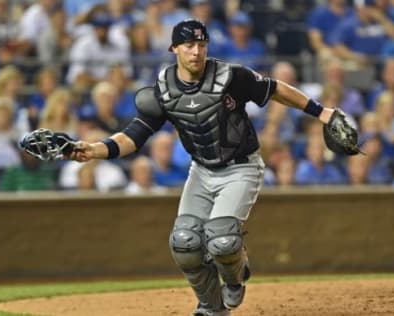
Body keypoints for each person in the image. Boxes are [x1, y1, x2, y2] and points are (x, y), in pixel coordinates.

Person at [60, 19, 353, 316]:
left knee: (222, 241)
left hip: (241, 167)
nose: (196, 51)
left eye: (202, 45)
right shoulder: (163, 89)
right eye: (189, 45)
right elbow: (135, 136)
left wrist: (321, 111)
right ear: (174, 48)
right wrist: (93, 149)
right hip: (201, 170)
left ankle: (235, 277)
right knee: (184, 243)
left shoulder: (230, 76)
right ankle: (212, 308)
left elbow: (275, 89)